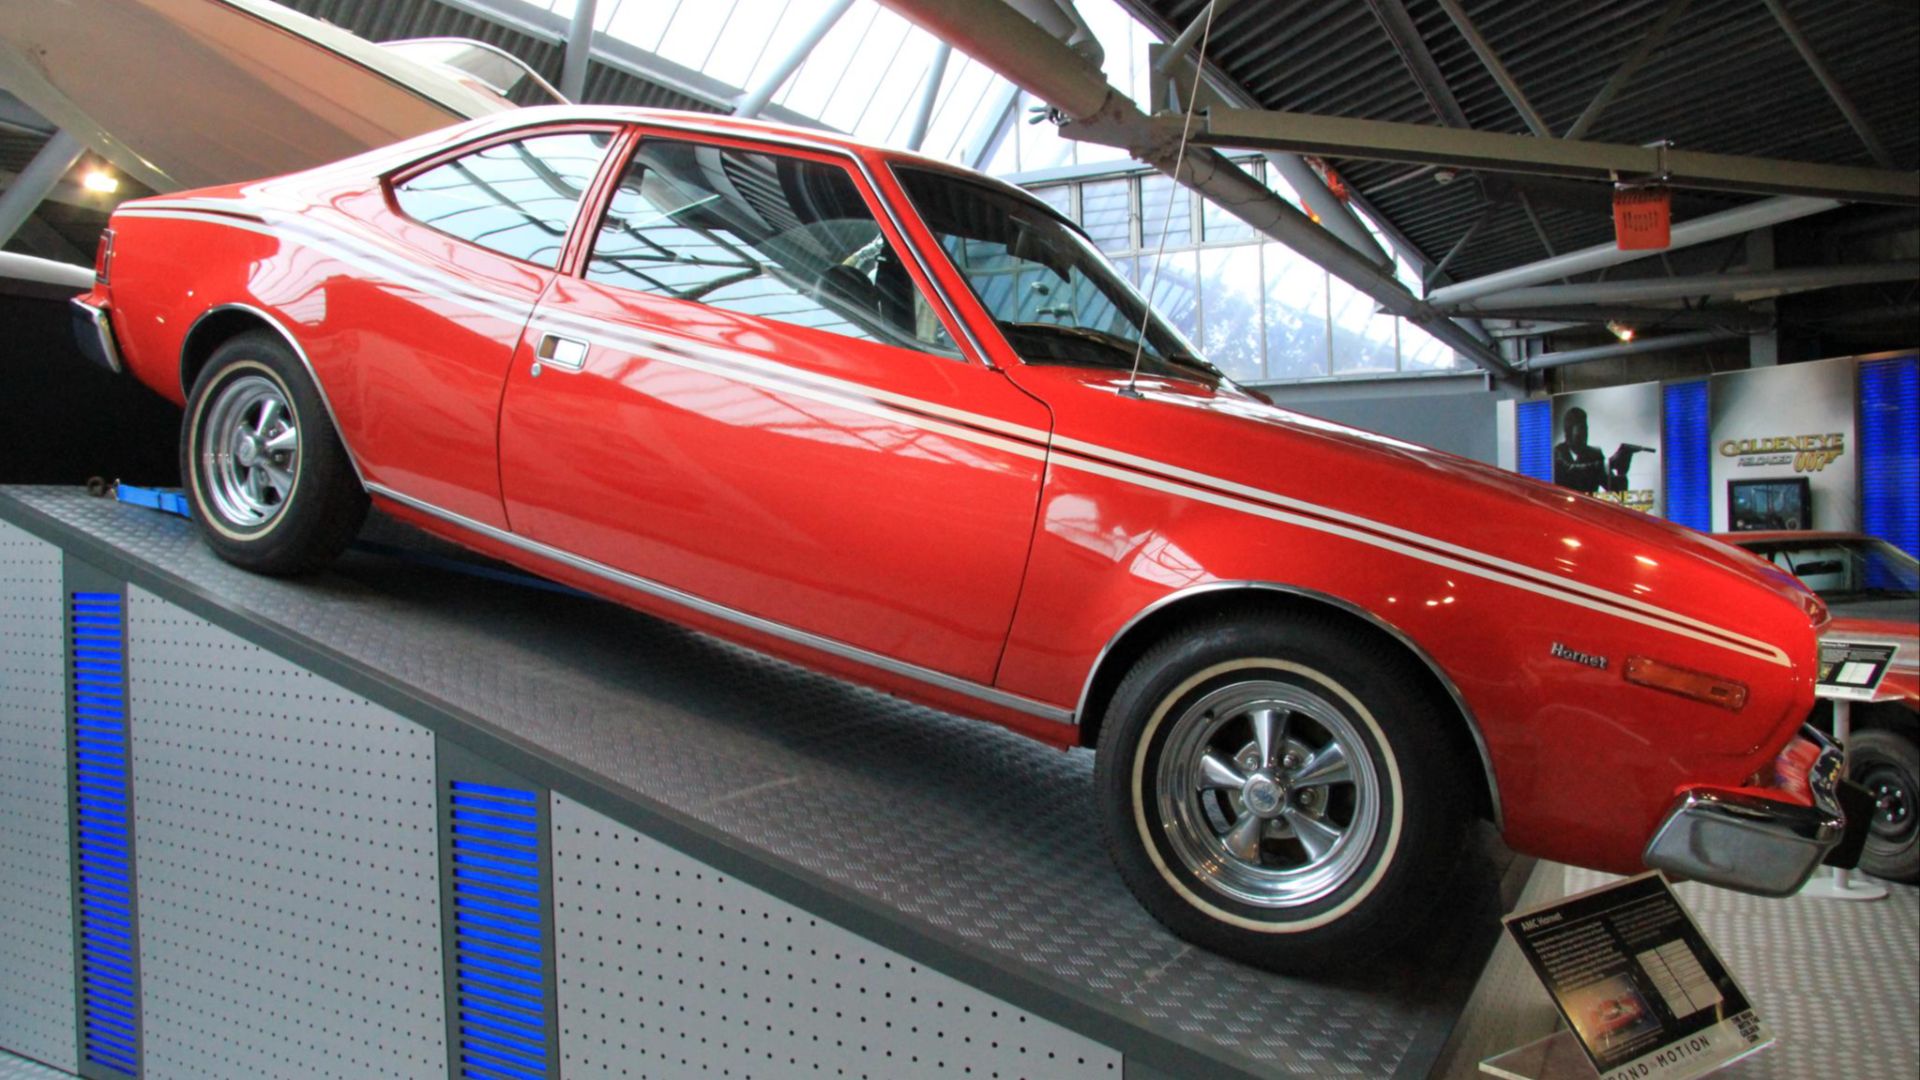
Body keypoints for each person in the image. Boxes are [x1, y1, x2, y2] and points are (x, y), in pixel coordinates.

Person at [1553, 407, 1650, 494]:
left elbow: (1617, 492)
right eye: (1581, 429)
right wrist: (1609, 463)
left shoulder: (1595, 454)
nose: (1585, 434)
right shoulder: (1557, 453)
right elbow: (1571, 472)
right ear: (1568, 432)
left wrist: (1621, 472)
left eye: (1586, 429)